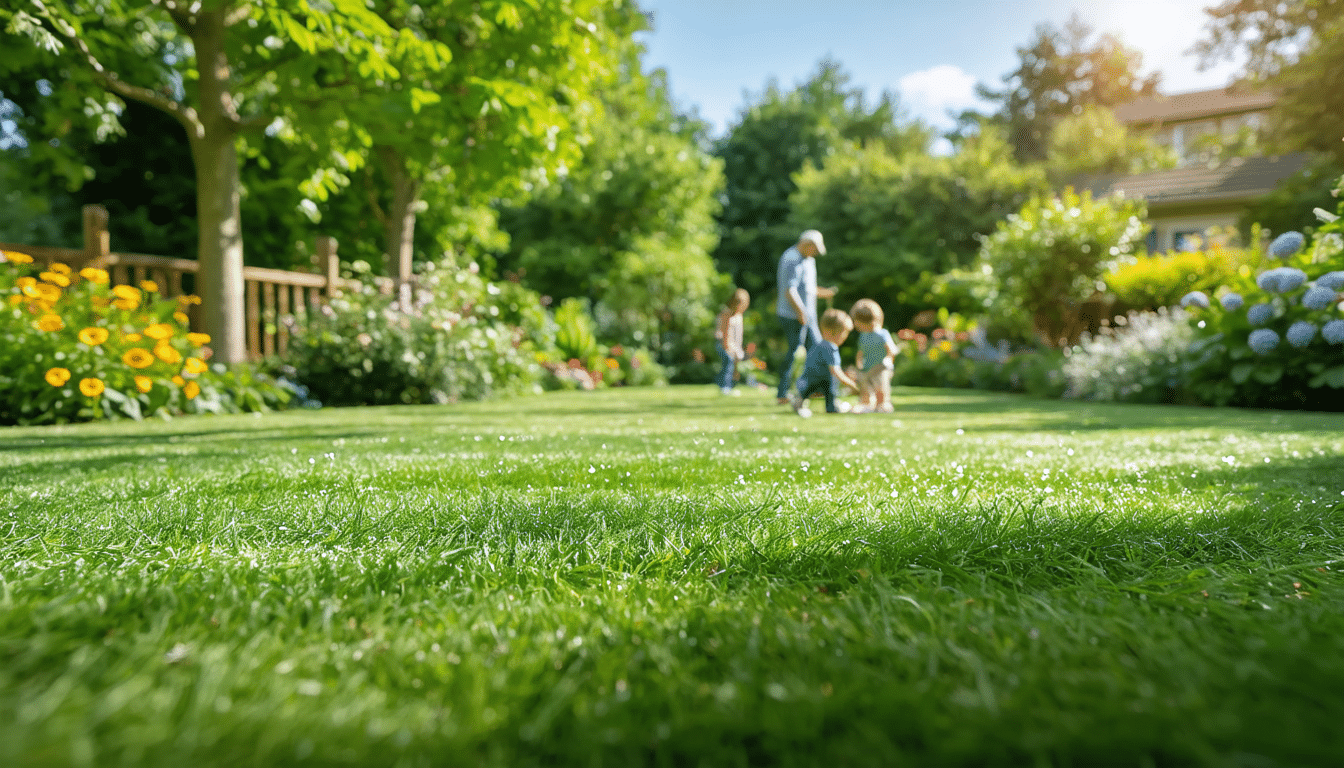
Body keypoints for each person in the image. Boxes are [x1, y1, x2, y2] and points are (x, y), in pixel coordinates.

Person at [775, 229, 836, 404]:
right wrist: (801, 312)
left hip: (808, 316)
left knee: (817, 350)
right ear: (807, 244)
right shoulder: (792, 259)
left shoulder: (808, 260)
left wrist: (824, 293)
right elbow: (790, 290)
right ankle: (783, 393)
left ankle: (814, 390)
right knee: (795, 353)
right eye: (814, 249)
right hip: (793, 315)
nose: (815, 253)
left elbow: (807, 288)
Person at [789, 308, 858, 417]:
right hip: (823, 379)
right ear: (832, 332)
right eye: (844, 333)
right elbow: (835, 370)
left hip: (809, 378)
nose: (845, 337)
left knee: (806, 392)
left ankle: (799, 402)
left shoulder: (818, 345)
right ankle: (831, 407)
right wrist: (850, 383)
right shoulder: (831, 347)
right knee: (831, 388)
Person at [849, 298, 899, 413]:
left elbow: (891, 350)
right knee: (865, 385)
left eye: (857, 322)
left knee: (880, 386)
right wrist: (859, 364)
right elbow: (860, 352)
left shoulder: (882, 334)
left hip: (881, 367)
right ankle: (866, 404)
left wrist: (888, 360)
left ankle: (882, 404)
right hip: (867, 367)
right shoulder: (863, 336)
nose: (855, 325)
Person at [715, 288, 749, 396]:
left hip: (734, 346)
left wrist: (738, 350)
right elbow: (725, 333)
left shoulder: (739, 316)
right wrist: (727, 348)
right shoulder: (727, 314)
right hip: (723, 344)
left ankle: (730, 385)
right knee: (728, 362)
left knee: (734, 367)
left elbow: (738, 336)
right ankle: (725, 387)